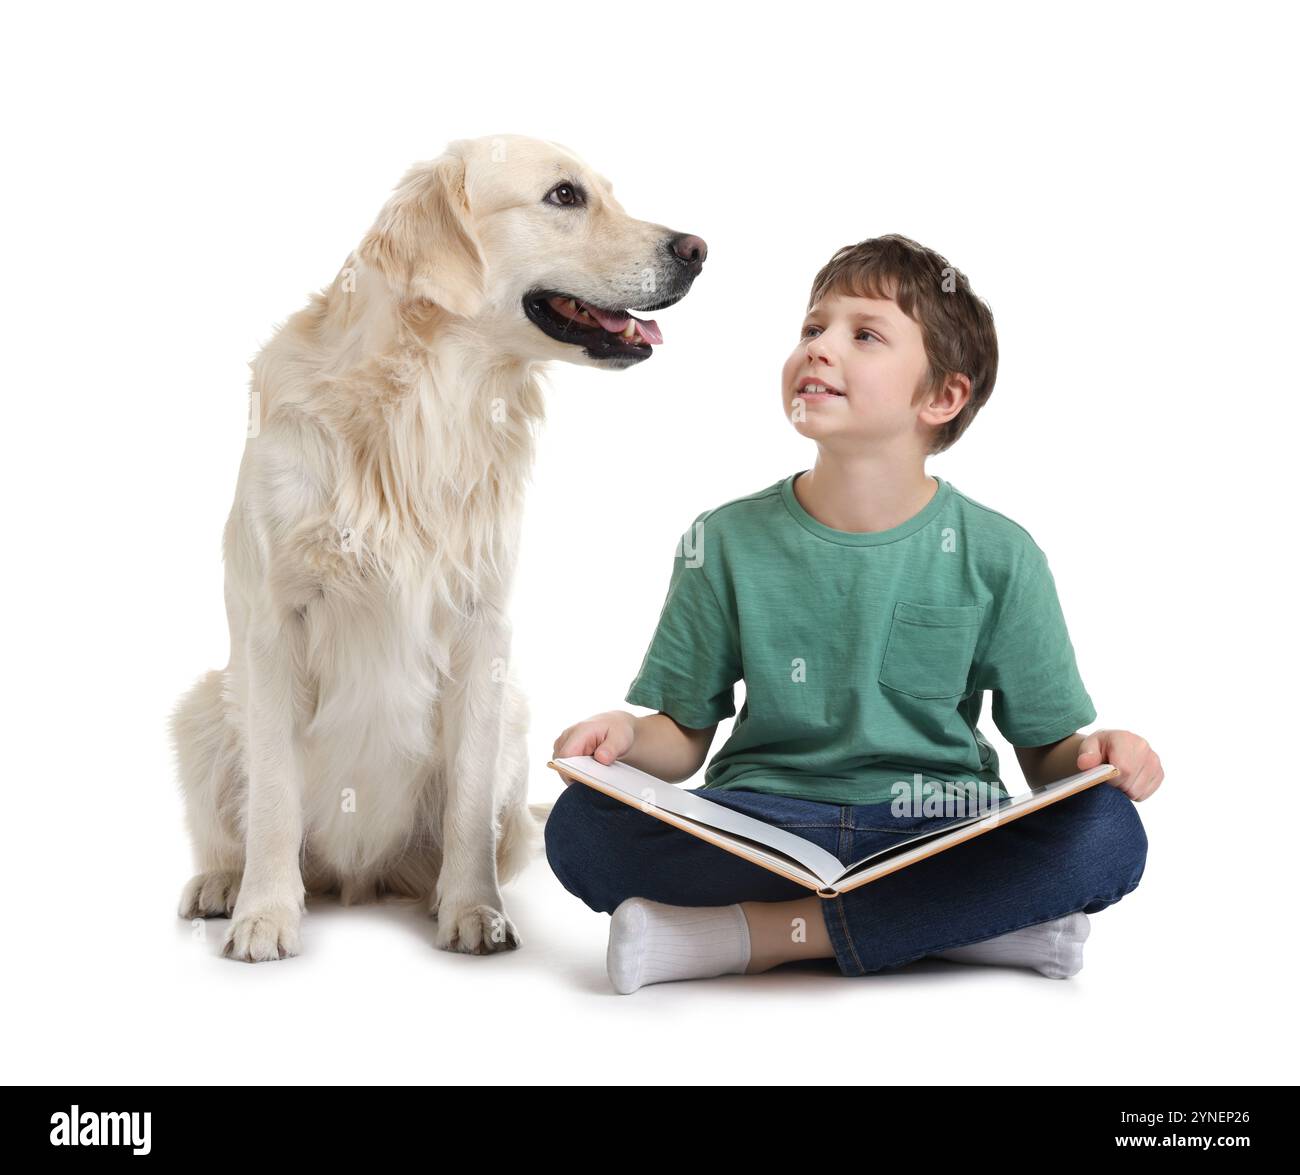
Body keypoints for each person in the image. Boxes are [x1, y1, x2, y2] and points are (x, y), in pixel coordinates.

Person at [546, 234, 1162, 994]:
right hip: (764, 826)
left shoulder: (1002, 554)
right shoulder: (723, 539)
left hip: (935, 827)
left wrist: (1100, 757)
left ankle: (758, 935)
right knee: (580, 827)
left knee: (1108, 835)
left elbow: (1044, 757)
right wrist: (626, 736)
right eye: (812, 329)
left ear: (941, 397)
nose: (819, 349)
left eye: (863, 335)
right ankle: (968, 928)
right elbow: (683, 740)